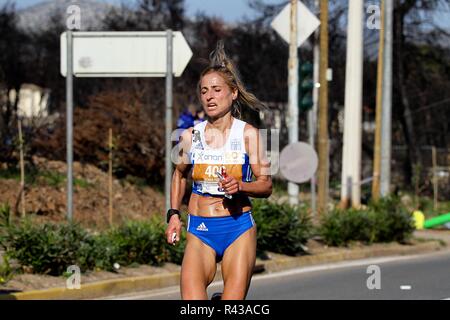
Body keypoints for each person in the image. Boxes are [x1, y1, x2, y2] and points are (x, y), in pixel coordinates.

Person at [165, 41, 272, 300]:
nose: (209, 96)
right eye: (204, 91)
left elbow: (266, 185)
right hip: (200, 230)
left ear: (233, 93)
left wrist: (241, 186)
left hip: (238, 229)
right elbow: (178, 174)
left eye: (216, 89)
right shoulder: (190, 136)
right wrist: (173, 214)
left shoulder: (249, 134)